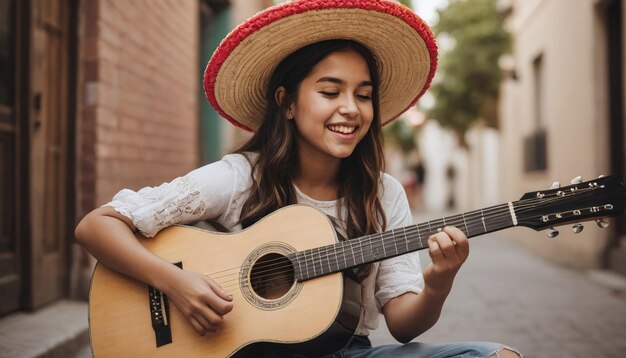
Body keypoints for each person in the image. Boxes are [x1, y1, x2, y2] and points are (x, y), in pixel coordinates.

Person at [75, 1, 521, 357]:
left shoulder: (383, 193)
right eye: (330, 92)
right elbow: (96, 226)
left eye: (363, 96)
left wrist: (439, 282)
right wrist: (174, 282)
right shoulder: (241, 177)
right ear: (287, 102)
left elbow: (403, 325)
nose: (351, 108)